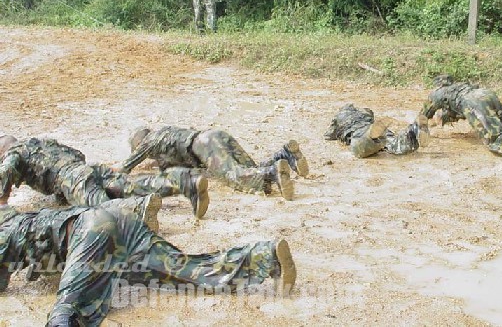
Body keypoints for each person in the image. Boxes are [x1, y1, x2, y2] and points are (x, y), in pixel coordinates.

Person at [0, 196, 296, 327]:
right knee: (182, 269)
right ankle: (264, 256)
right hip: (115, 221)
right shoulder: (15, 220)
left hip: (89, 232)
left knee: (67, 306)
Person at [0, 135, 209, 222]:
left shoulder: (13, 154)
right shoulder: (42, 142)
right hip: (88, 169)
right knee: (132, 186)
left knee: (105, 216)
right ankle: (186, 183)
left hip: (73, 180)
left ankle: (137, 214)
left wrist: (3, 202)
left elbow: (5, 176)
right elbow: (78, 154)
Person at [118, 126, 309, 201]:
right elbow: (172, 165)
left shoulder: (147, 143)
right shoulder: (164, 134)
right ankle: (286, 154)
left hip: (204, 146)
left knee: (234, 177)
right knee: (249, 168)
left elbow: (124, 168)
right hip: (214, 135)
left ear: (138, 143)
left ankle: (272, 173)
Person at [324, 104, 430, 158]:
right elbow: (370, 115)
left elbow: (328, 135)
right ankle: (412, 130)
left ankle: (370, 136)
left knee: (358, 149)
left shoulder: (340, 116)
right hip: (374, 127)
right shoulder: (365, 113)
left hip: (359, 132)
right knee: (395, 144)